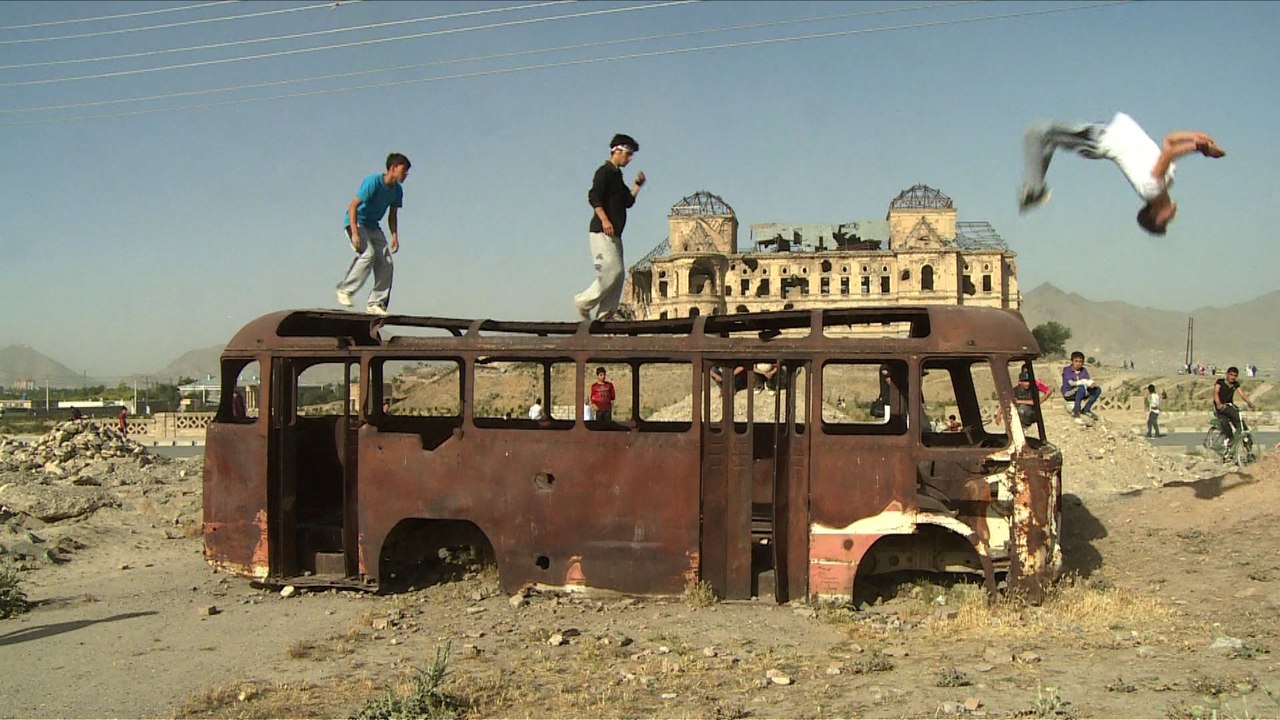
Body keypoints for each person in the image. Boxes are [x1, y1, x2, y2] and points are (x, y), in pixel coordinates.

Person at [1018, 112, 1226, 235]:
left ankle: (1035, 191)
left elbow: (1169, 153)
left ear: (1156, 214)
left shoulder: (1151, 190)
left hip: (1099, 140)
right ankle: (1036, 188)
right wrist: (1197, 137)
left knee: (1037, 133)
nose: (1170, 219)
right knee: (1046, 140)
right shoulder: (1168, 179)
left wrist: (1199, 147)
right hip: (1104, 132)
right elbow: (1169, 141)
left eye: (1165, 221)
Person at [574, 134, 645, 321]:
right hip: (601, 232)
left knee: (618, 277)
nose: (630, 159)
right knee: (612, 272)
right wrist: (605, 220)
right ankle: (583, 302)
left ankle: (605, 317)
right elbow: (594, 197)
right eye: (628, 154)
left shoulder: (617, 176)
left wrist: (637, 185)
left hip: (615, 235)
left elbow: (628, 201)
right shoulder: (604, 172)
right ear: (617, 151)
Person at [336, 152, 411, 316]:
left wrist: (394, 236)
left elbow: (392, 215)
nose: (406, 174)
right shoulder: (374, 182)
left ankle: (375, 303)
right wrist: (355, 233)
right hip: (356, 222)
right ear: (393, 168)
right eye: (403, 170)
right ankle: (345, 290)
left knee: (386, 262)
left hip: (373, 226)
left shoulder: (397, 191)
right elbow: (353, 206)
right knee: (368, 254)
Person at [1213, 366, 1255, 443]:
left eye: (1235, 376)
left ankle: (1247, 443)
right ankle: (1229, 439)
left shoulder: (1235, 384)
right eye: (1231, 375)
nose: (1233, 377)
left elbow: (1242, 394)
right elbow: (1216, 392)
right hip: (1219, 408)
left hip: (1229, 407)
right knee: (1225, 424)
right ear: (1227, 374)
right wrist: (1218, 404)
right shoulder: (1220, 382)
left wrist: (1249, 403)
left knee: (1240, 422)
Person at [1061, 351, 1102, 419]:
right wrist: (1083, 382)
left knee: (1097, 389)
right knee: (1081, 387)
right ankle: (1076, 411)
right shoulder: (1067, 370)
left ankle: (1086, 409)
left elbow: (1088, 380)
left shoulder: (1083, 370)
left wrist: (1091, 383)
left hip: (1081, 391)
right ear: (1072, 361)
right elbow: (1071, 383)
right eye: (1076, 361)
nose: (1078, 363)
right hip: (1069, 392)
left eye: (1080, 362)